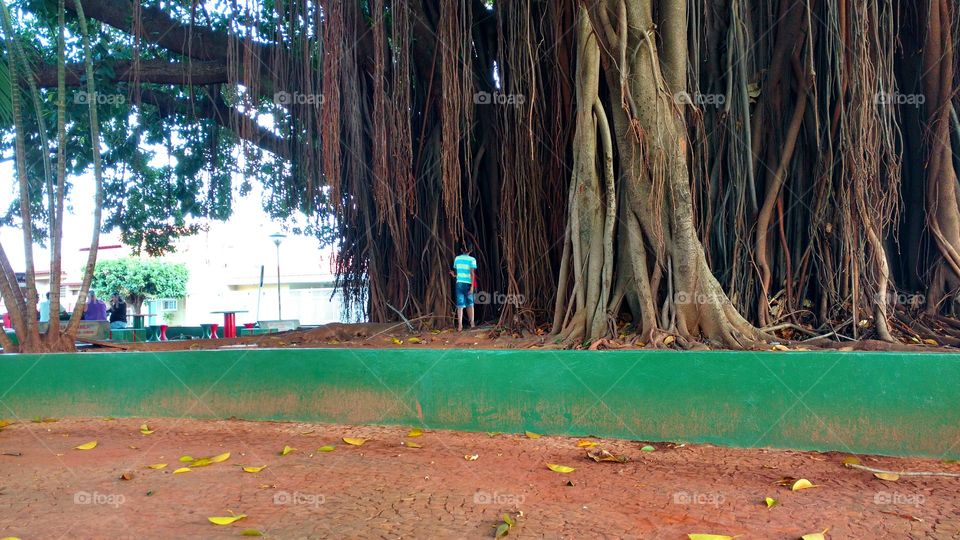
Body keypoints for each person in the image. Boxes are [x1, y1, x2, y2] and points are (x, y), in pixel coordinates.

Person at [449, 243, 477, 331]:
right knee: (470, 304)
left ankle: (460, 326)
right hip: (468, 283)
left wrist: (453, 275)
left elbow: (458, 273)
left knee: (460, 305)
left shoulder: (457, 259)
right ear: (471, 250)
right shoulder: (472, 259)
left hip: (459, 283)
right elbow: (472, 274)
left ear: (461, 249)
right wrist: (472, 286)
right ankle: (472, 324)